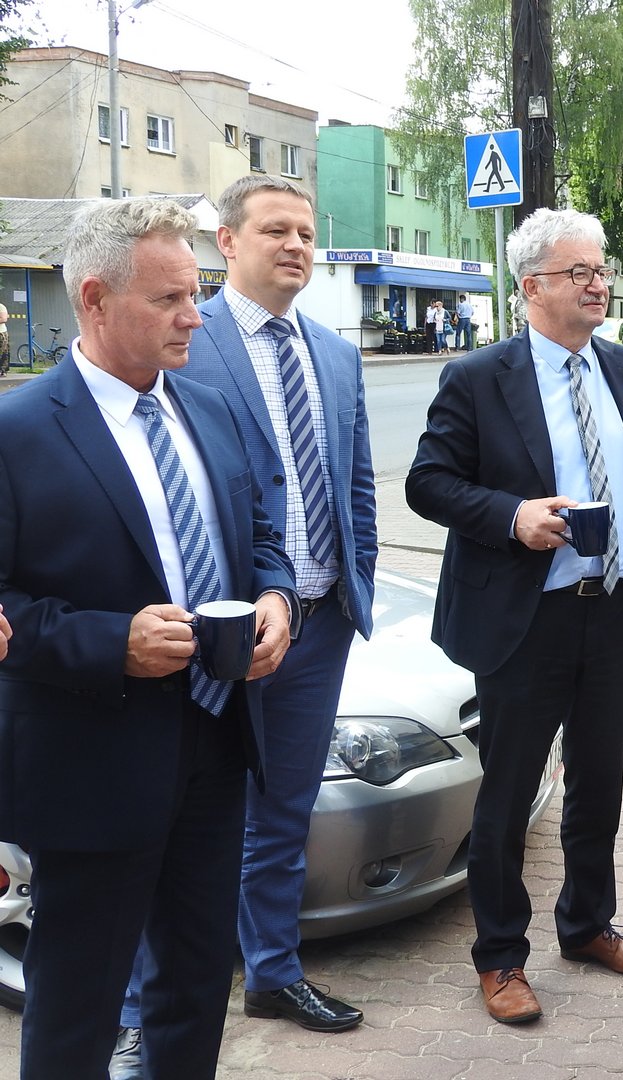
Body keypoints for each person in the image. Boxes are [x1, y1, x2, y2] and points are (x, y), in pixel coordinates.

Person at [0, 198, 295, 1079]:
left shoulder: (210, 409)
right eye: (169, 299)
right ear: (94, 299)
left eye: (195, 293)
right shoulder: (17, 433)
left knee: (198, 984)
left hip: (216, 743)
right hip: (92, 763)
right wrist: (110, 642)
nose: (194, 317)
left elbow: (261, 534)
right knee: (78, 1005)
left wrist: (276, 598)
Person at [109, 175, 377, 1075]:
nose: (296, 245)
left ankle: (272, 971)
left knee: (285, 813)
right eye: (275, 231)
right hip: (215, 633)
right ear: (227, 243)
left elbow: (355, 484)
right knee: (169, 817)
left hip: (316, 623)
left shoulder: (335, 353)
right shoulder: (188, 337)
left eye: (305, 231)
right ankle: (140, 1011)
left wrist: (351, 584)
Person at [407, 207, 623, 1025]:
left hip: (615, 609)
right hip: (526, 619)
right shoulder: (478, 377)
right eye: (579, 273)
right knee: (510, 792)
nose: (598, 284)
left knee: (600, 779)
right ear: (531, 287)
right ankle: (500, 956)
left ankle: (589, 925)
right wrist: (513, 516)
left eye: (601, 270)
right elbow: (428, 482)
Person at [0, 299, 9, 375]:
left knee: (2, 351)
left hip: (1, 333)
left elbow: (3, 318)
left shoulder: (1, 307)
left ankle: (3, 370)